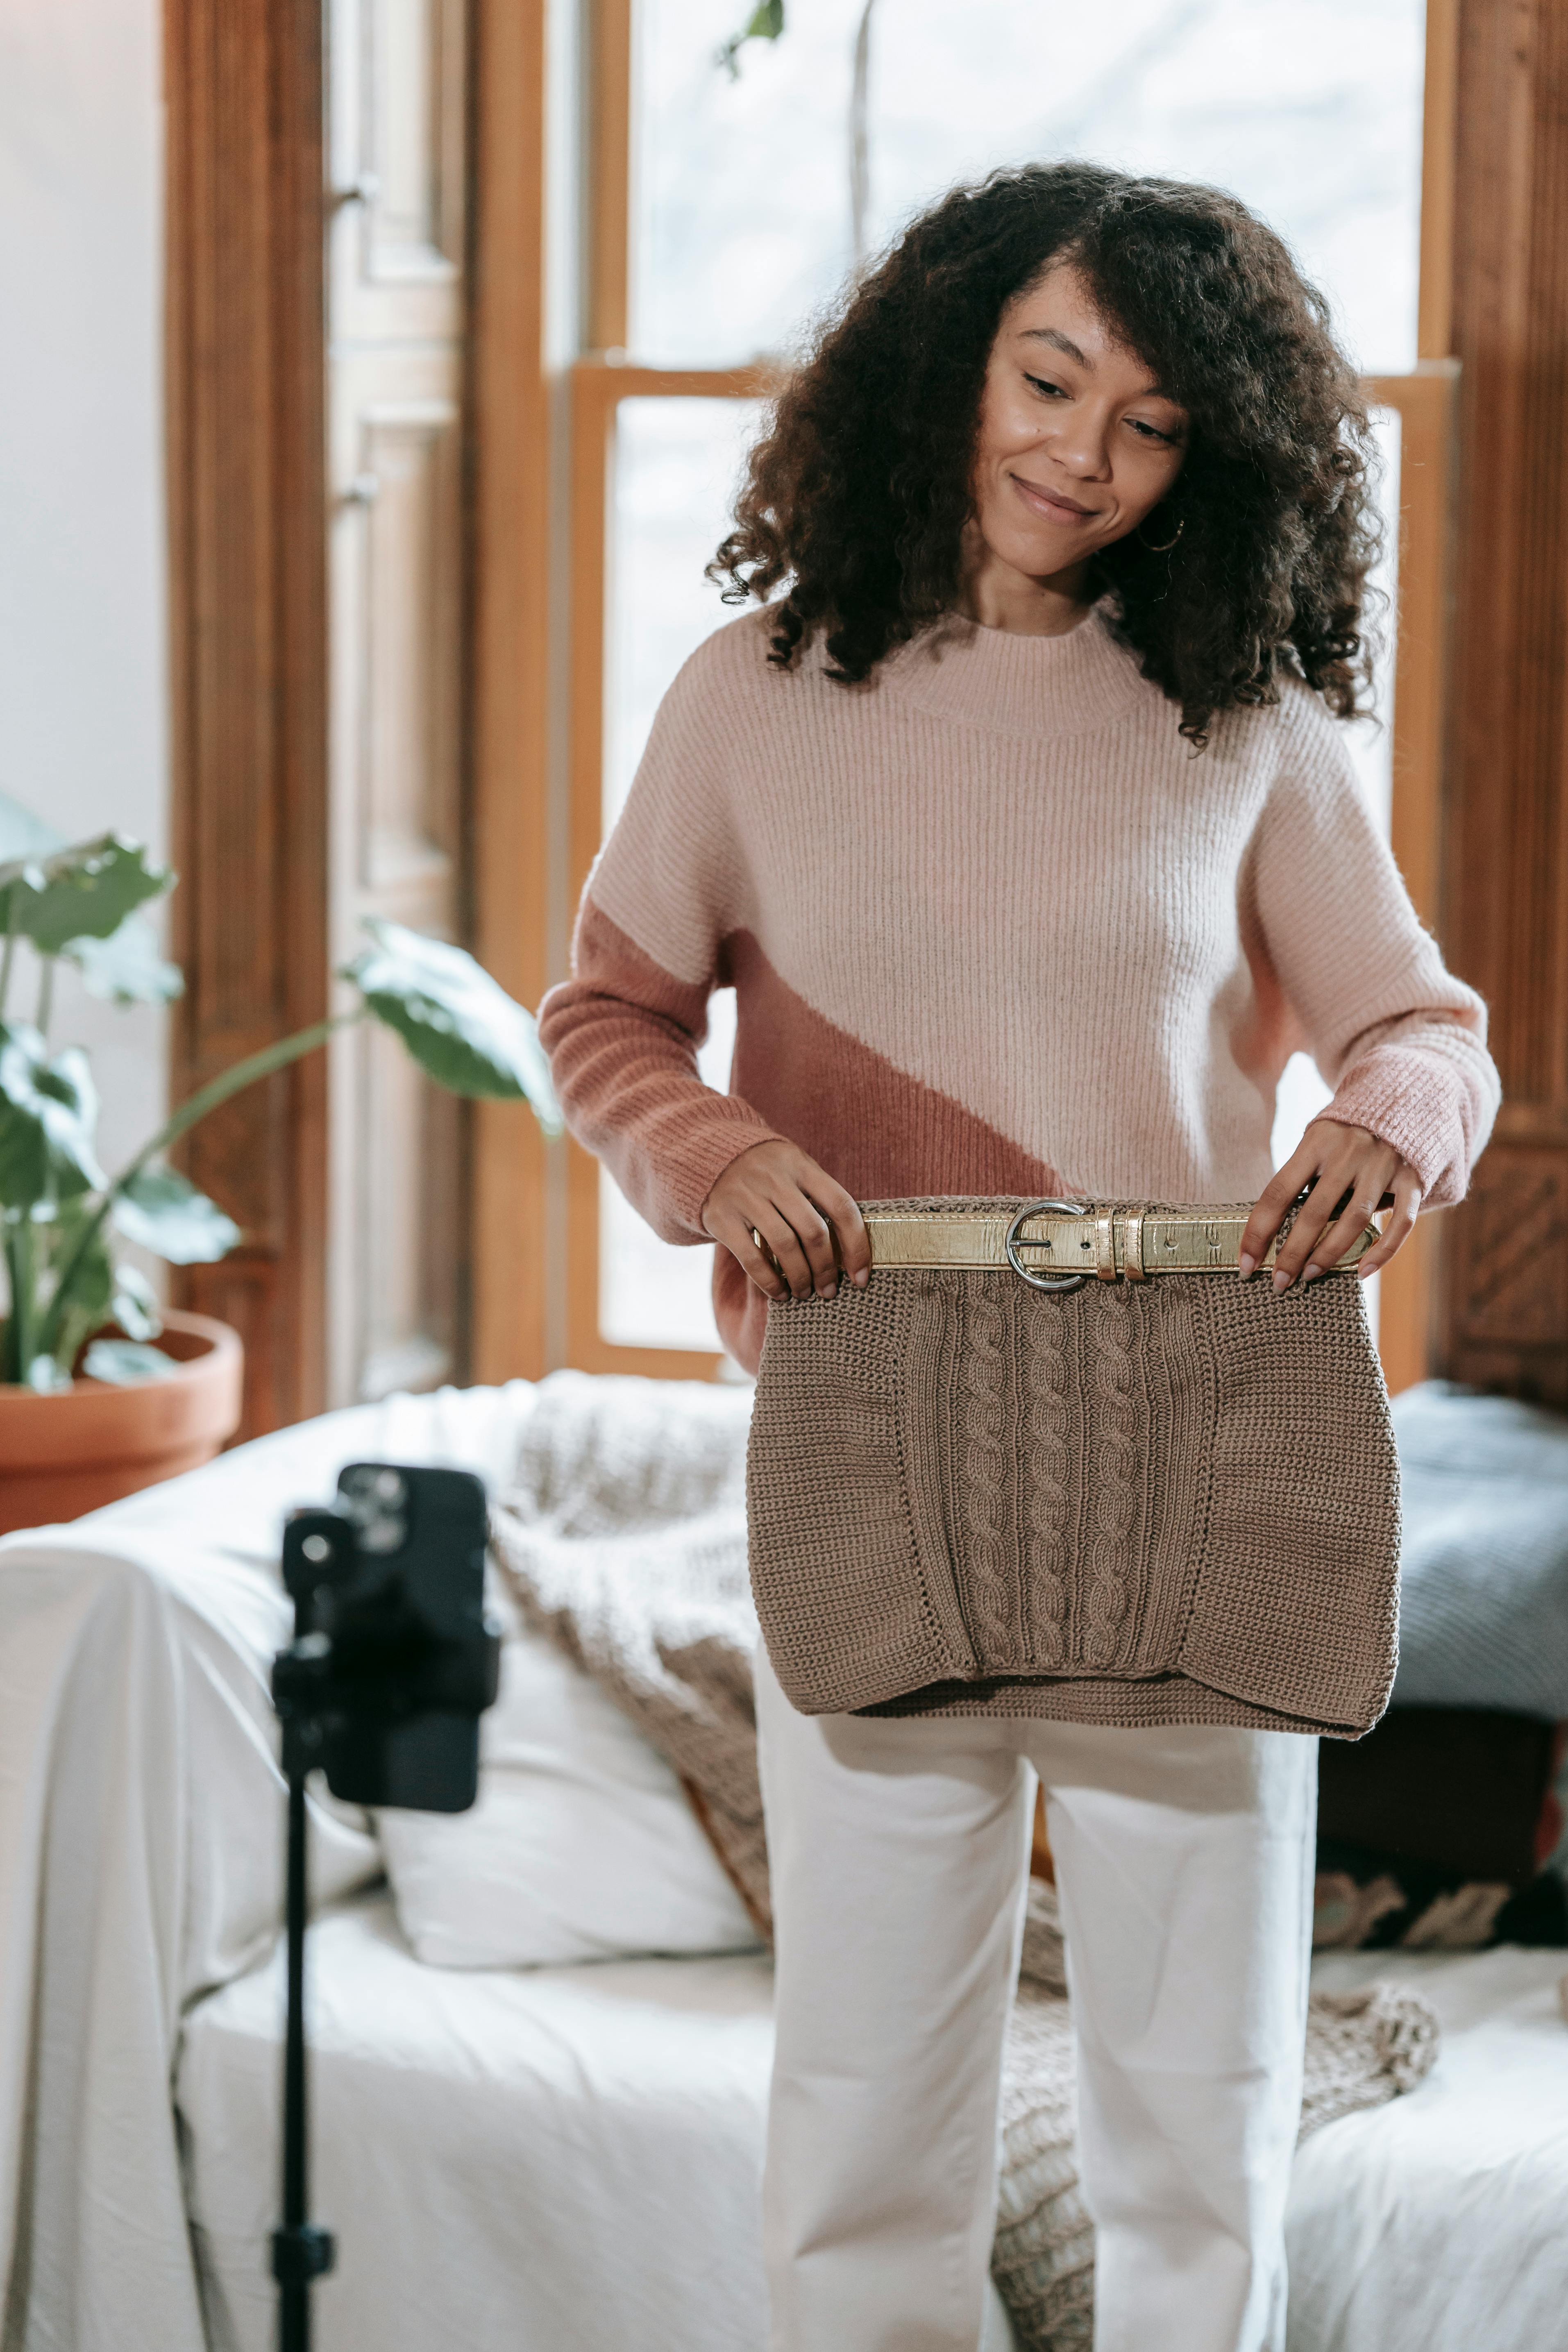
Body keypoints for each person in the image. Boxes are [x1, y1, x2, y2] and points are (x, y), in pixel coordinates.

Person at [539, 163, 1499, 2352]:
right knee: (868, 2092)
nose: (1079, 451)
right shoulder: (750, 697)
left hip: (1208, 1427)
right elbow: (603, 1017)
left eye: (1148, 420)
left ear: (1211, 458)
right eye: (1045, 376)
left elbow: (1416, 1029)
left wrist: (1381, 1125)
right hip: (865, 1414)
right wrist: (704, 1149)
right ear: (944, 358)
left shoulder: (1243, 725)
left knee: (1201, 2087)